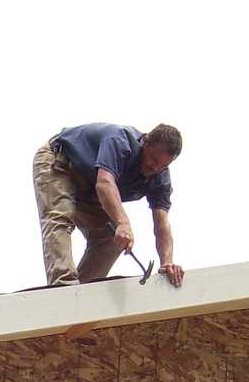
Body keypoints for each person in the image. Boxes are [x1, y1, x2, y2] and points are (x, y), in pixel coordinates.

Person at [33, 122, 185, 288]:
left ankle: (84, 291)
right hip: (61, 162)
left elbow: (162, 225)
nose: (155, 168)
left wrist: (166, 263)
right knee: (60, 216)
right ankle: (63, 285)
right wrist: (123, 224)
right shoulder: (120, 141)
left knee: (110, 239)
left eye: (164, 165)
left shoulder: (160, 177)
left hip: (90, 187)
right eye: (153, 160)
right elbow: (104, 183)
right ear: (145, 141)